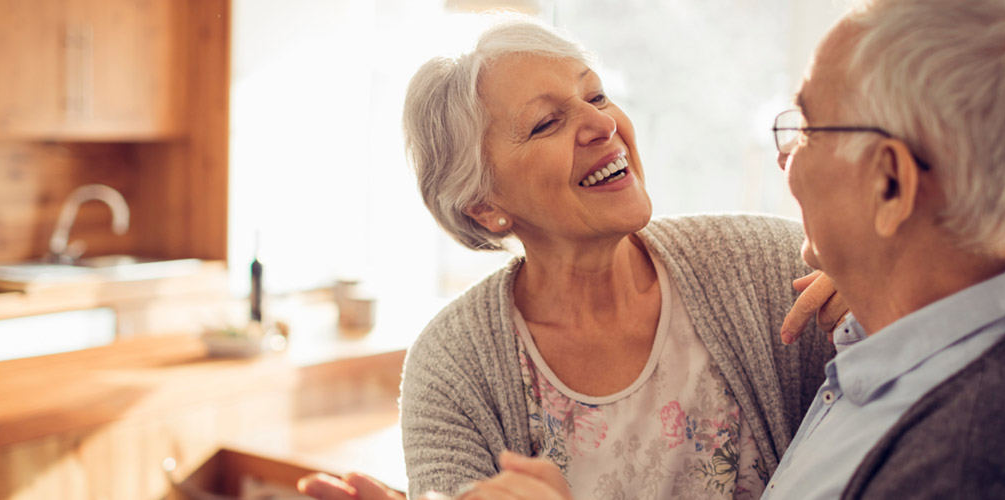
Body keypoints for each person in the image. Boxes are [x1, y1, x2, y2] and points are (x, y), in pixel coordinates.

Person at [466, 0, 1005, 498]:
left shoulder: (972, 467)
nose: (788, 160)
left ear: (890, 183)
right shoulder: (937, 335)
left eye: (809, 127)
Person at [299, 14, 847, 500]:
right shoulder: (452, 369)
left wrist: (889, 296)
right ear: (485, 206)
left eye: (598, 96)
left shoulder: (769, 269)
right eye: (547, 122)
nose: (603, 124)